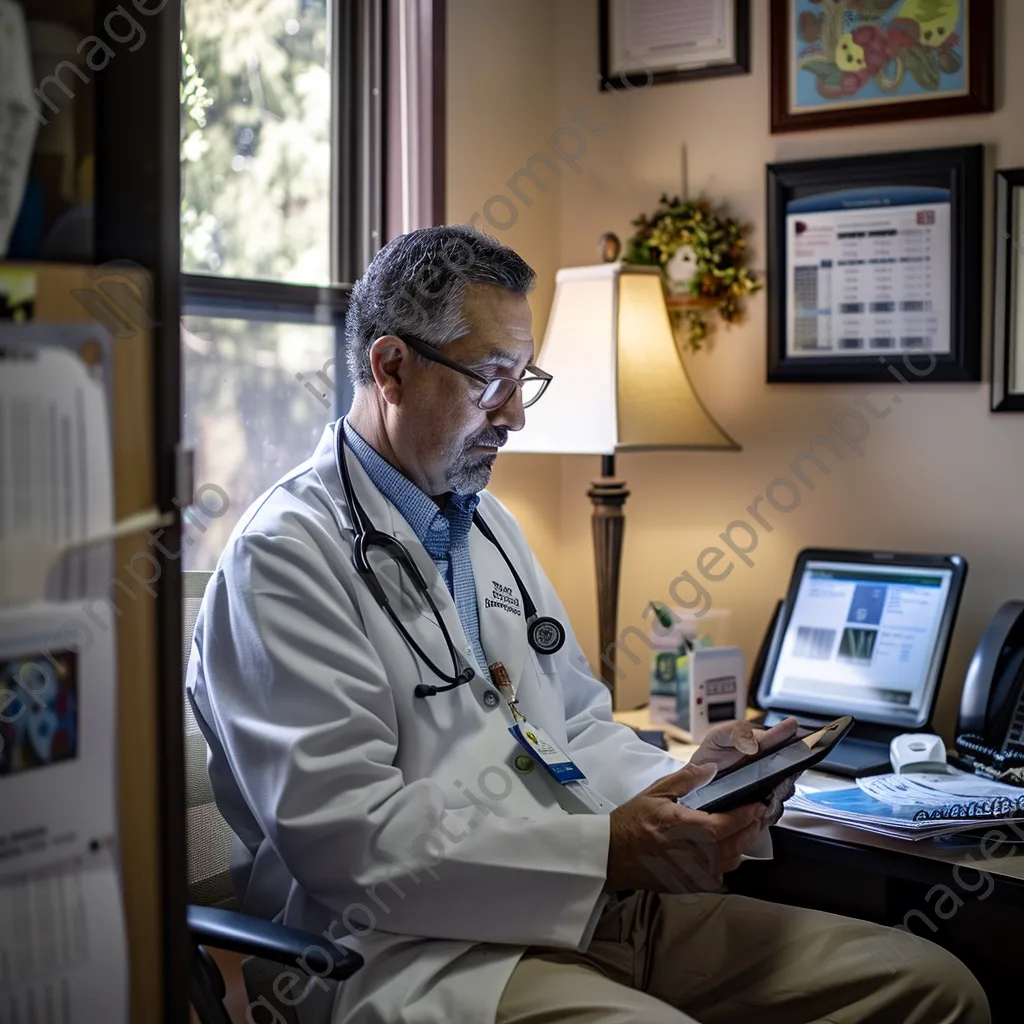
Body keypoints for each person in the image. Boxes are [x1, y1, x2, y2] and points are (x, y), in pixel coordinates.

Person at [186, 226, 989, 1024]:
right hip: (417, 957)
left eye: (522, 378)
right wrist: (604, 851)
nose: (515, 417)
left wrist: (689, 790)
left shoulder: (488, 526)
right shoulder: (285, 560)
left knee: (929, 988)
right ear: (390, 368)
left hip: (597, 909)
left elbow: (572, 728)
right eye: (489, 379)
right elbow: (349, 845)